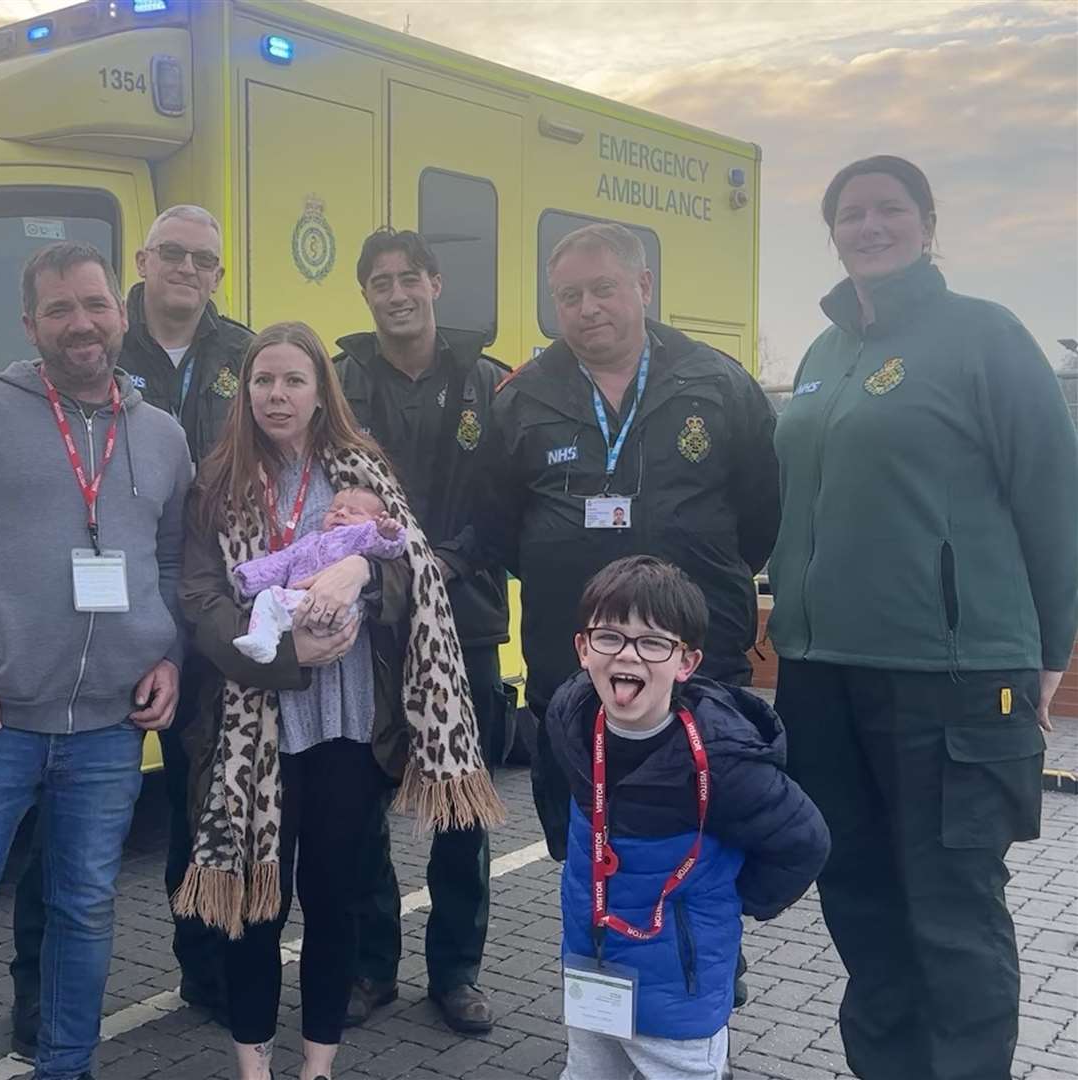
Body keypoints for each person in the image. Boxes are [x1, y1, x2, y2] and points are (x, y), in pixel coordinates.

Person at [768, 155, 1078, 1080]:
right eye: (849, 213)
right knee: (857, 898)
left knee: (951, 911)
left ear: (926, 223)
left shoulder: (984, 336)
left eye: (888, 209)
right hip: (820, 675)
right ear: (830, 232)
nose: (868, 226)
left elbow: (1051, 502)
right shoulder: (822, 357)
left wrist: (1045, 653)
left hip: (949, 677)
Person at [0, 242, 193, 1080]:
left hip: (107, 730)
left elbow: (170, 561)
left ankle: (67, 1066)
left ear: (120, 313)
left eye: (93, 304)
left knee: (86, 911)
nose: (80, 324)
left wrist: (167, 652)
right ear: (31, 324)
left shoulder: (161, 436)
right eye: (58, 309)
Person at [175, 321, 503, 1080]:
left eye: (294, 380)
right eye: (264, 381)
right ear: (245, 391)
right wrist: (287, 655)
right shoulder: (216, 480)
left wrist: (358, 574)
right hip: (254, 730)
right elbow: (199, 598)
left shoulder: (361, 470)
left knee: (333, 903)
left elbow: (411, 563)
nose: (277, 396)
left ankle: (316, 1067)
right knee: (257, 909)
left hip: (349, 730)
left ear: (322, 392)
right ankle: (253, 1069)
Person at [8, 205, 253, 1051]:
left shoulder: (246, 353)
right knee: (64, 815)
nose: (187, 268)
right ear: (140, 264)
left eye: (205, 258)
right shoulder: (96, 344)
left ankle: (206, 967)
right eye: (172, 253)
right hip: (103, 616)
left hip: (215, 608)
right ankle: (36, 994)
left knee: (203, 800)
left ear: (219, 274)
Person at [535, 556, 828, 1080]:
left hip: (682, 987)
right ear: (583, 649)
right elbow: (557, 790)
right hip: (592, 966)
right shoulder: (568, 716)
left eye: (653, 643)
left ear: (685, 662)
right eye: (610, 637)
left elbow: (804, 843)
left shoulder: (724, 760)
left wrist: (735, 902)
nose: (628, 655)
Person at [486, 220, 780, 715]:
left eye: (603, 289)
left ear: (643, 286)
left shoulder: (718, 383)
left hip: (698, 659)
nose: (587, 308)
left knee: (699, 789)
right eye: (569, 295)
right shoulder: (520, 398)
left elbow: (761, 512)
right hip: (570, 663)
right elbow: (500, 526)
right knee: (578, 790)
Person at [333, 228, 509, 1033]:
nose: (396, 293)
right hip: (365, 627)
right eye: (380, 282)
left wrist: (438, 565)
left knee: (459, 808)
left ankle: (457, 973)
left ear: (436, 283)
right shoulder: (339, 384)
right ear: (365, 294)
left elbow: (507, 503)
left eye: (410, 278)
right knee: (360, 804)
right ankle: (371, 968)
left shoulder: (490, 384)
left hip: (461, 620)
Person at [232, 488, 407, 663]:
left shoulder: (361, 537)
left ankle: (265, 641)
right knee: (267, 598)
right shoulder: (311, 541)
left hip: (342, 610)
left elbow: (387, 550)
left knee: (270, 602)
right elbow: (282, 561)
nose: (341, 513)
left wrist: (387, 534)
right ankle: (264, 642)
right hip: (300, 602)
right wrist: (250, 575)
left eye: (354, 512)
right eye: (334, 509)